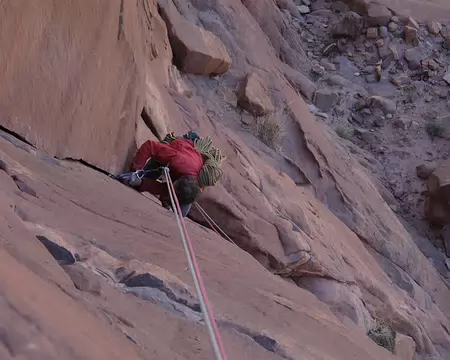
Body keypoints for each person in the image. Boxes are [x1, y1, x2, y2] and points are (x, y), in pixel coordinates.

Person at [117, 131, 224, 217]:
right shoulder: (177, 159)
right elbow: (150, 146)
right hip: (183, 145)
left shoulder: (198, 184)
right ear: (176, 181)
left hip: (192, 159)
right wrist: (136, 170)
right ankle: (152, 187)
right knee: (144, 176)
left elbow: (167, 189)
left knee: (181, 213)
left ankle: (165, 197)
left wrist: (143, 184)